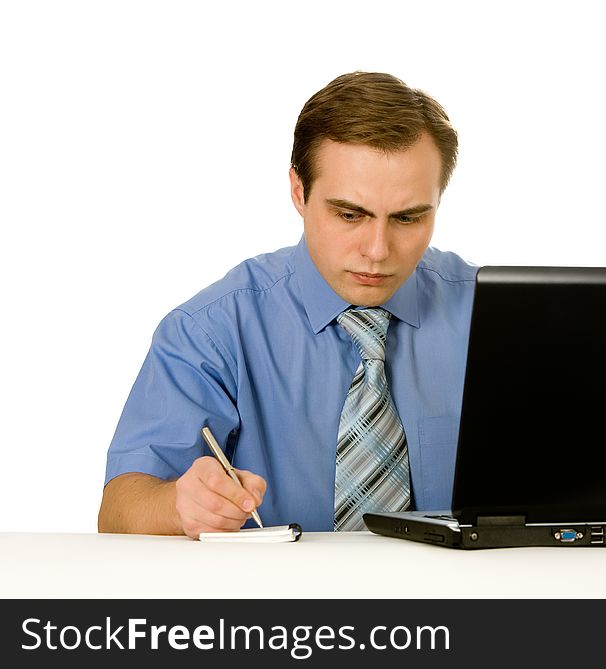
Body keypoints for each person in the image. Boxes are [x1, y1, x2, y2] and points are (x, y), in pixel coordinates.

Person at [98, 72, 476, 538]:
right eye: (349, 214)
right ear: (299, 192)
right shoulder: (211, 329)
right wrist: (178, 507)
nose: (377, 250)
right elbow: (118, 510)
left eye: (408, 217)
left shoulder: (495, 318)